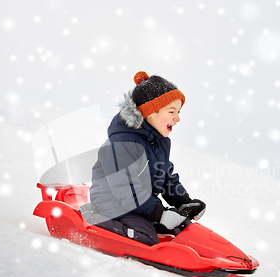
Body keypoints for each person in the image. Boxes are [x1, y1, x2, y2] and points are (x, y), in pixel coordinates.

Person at [85, 71, 206, 246]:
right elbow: (125, 190)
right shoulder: (122, 142)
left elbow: (166, 178)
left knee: (181, 229)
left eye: (179, 112)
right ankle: (94, 219)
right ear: (150, 112)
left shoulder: (160, 142)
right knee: (145, 238)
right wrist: (160, 214)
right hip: (114, 204)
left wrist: (184, 202)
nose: (178, 118)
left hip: (140, 204)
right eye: (172, 111)